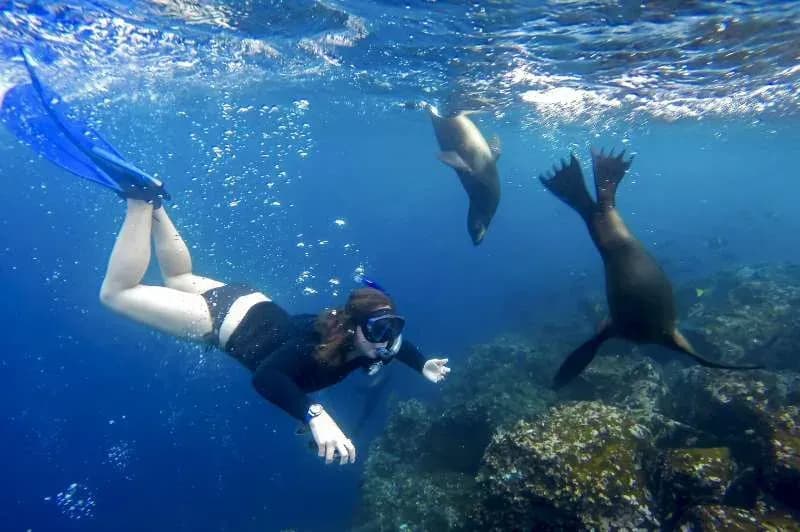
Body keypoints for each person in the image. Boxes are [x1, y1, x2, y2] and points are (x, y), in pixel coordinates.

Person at [1, 50, 451, 465]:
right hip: (220, 323)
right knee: (117, 294)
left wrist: (421, 361)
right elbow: (268, 379)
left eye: (393, 328)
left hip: (247, 300)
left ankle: (157, 204)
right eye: (382, 330)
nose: (389, 340)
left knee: (181, 274)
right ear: (355, 328)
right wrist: (315, 415)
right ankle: (140, 201)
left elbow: (395, 349)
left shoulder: (366, 341)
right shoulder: (317, 349)